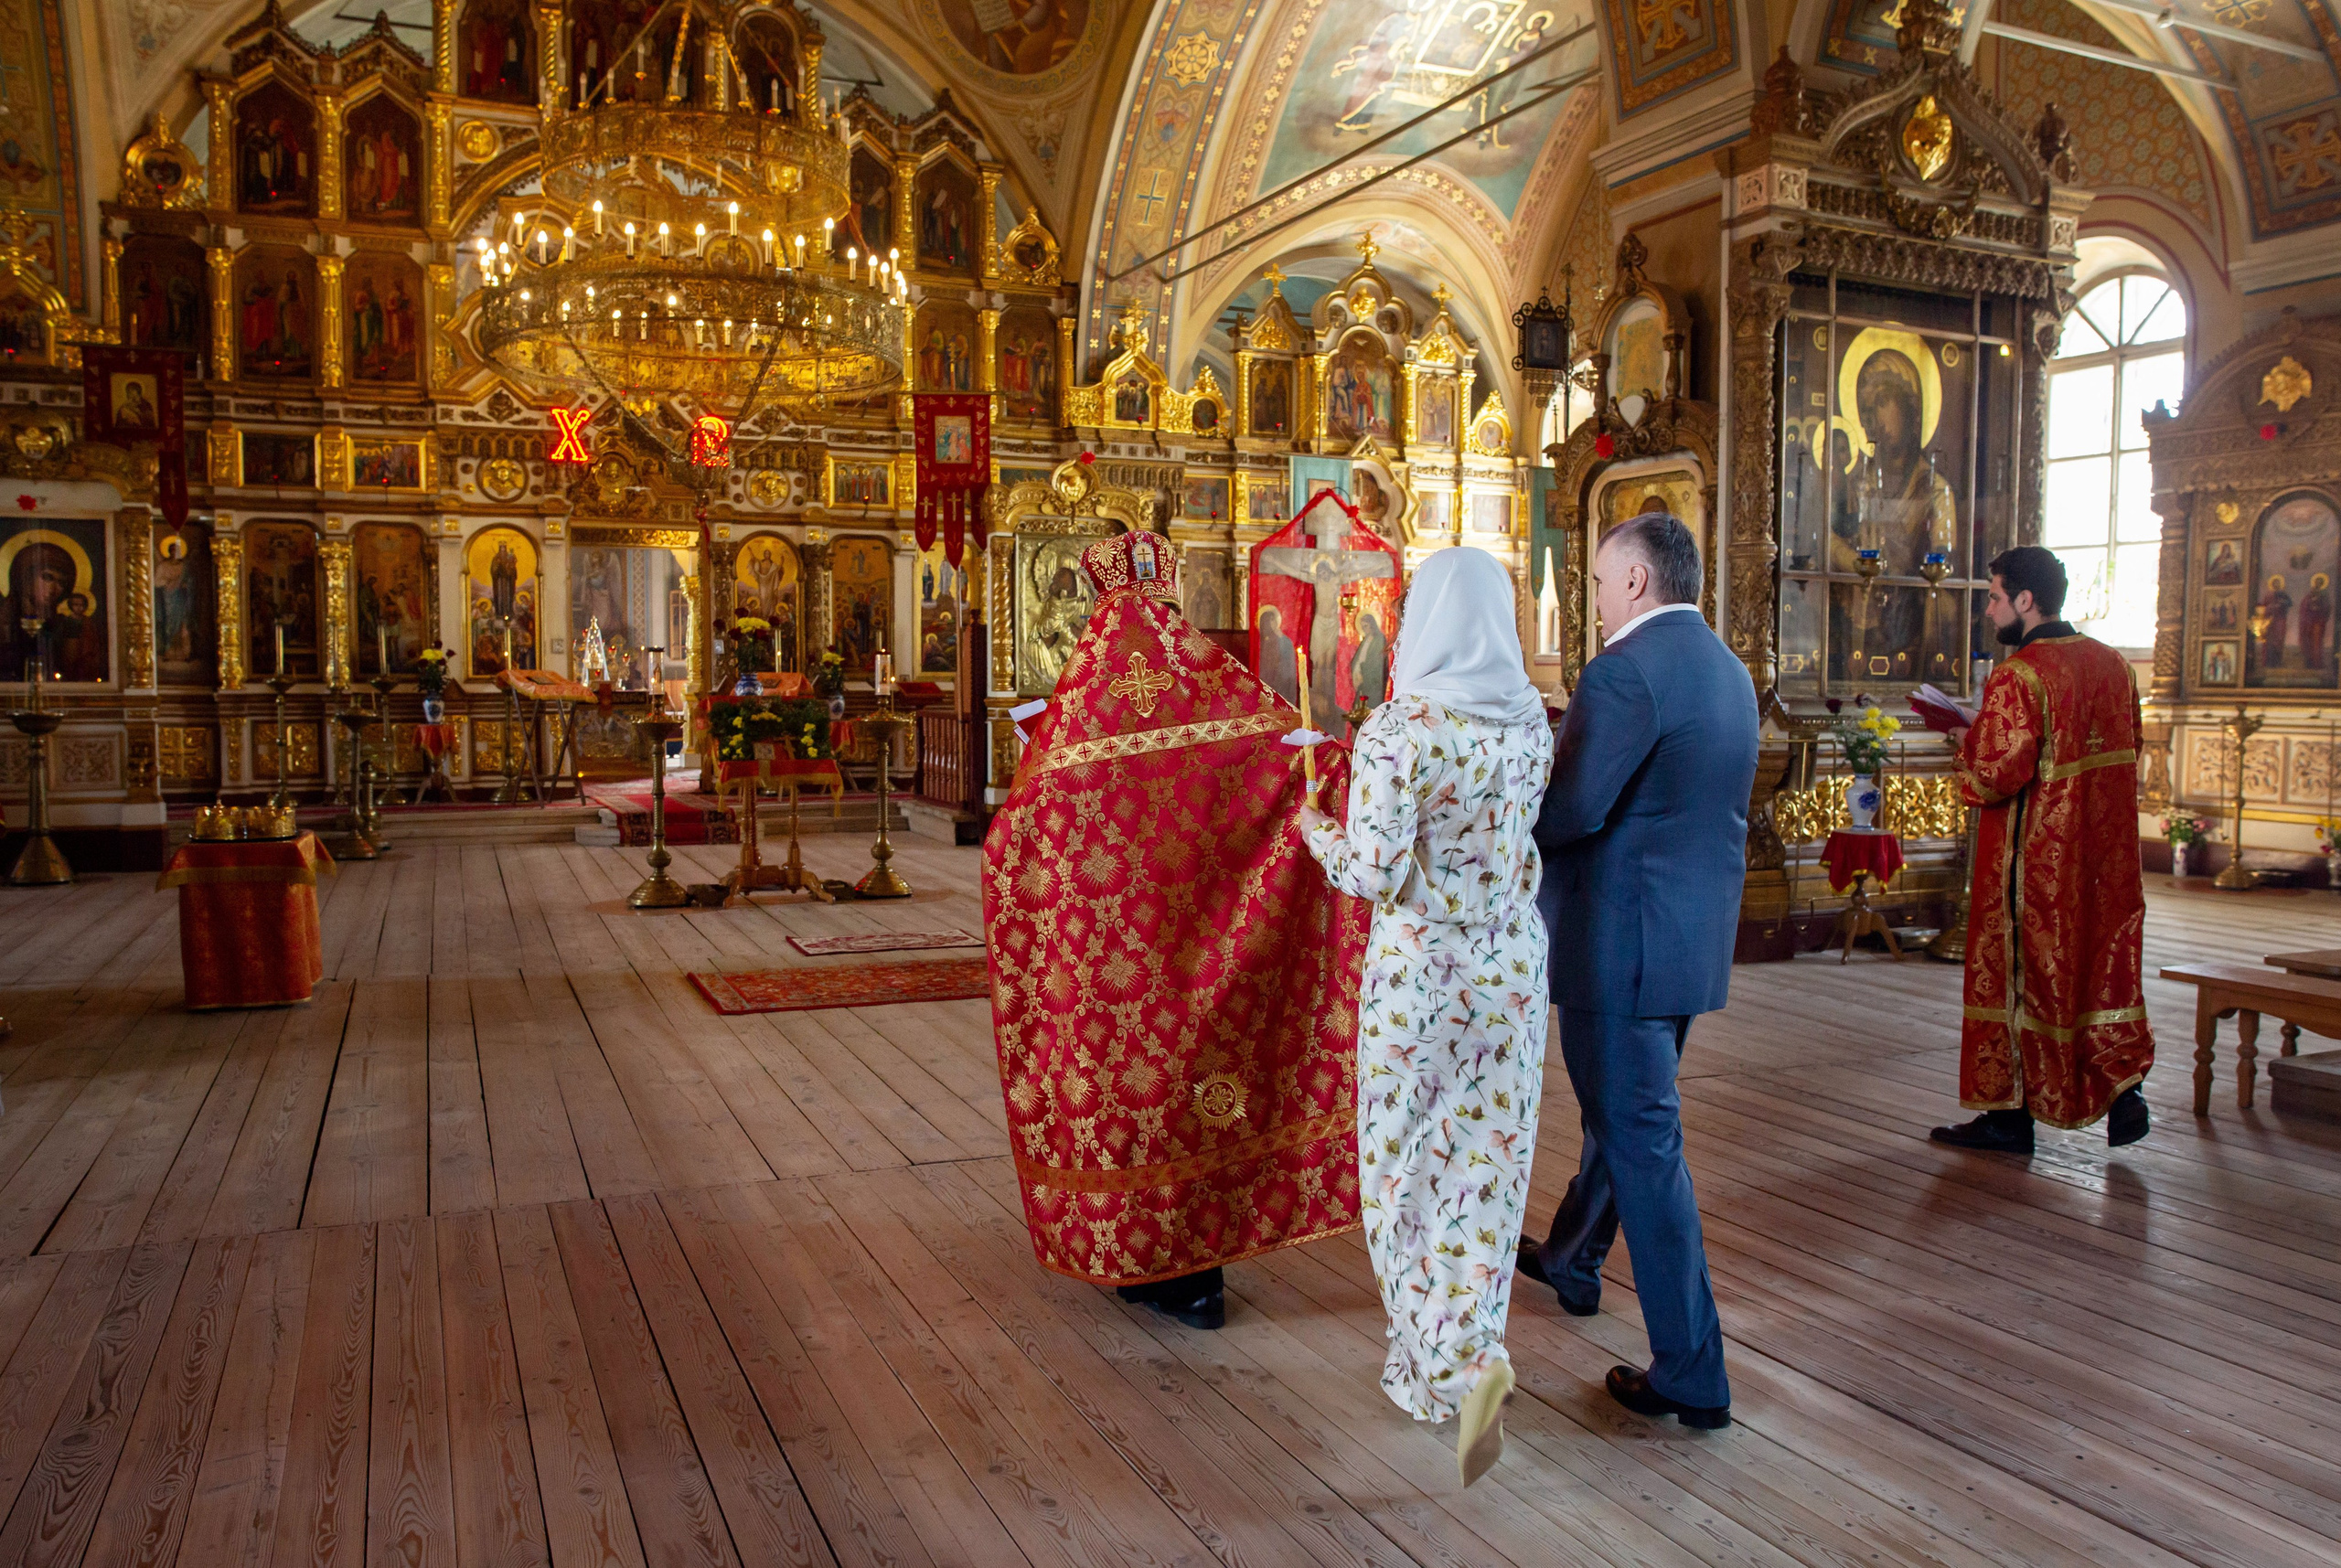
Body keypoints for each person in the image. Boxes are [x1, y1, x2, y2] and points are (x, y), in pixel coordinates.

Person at [985, 528, 1366, 1335]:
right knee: (1200, 1088)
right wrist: (1336, 767)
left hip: (1109, 962)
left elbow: (1018, 835)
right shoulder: (1212, 685)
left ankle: (1146, 1259)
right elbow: (1295, 761)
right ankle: (1197, 1271)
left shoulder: (1082, 702)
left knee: (1133, 1097)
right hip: (1206, 942)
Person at [1297, 547, 1553, 1488]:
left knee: (1404, 1166)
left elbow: (1372, 871)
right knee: (1489, 1165)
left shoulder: (1400, 729)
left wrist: (1313, 832)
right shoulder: (1531, 720)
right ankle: (1460, 1356)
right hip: (1511, 968)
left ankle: (1455, 1367)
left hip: (1423, 976)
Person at [1518, 510, 1756, 1433]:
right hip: (1689, 941)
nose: (1595, 598)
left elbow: (1572, 810)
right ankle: (1573, 1254)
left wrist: (1511, 789)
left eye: (1598, 580)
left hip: (1620, 945)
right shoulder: (1727, 668)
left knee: (1642, 1139)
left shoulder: (1624, 670)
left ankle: (1692, 1370)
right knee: (1625, 1117)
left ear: (1634, 581)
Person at [1931, 547, 2154, 1154]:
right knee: (2102, 966)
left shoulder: (2021, 673)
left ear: (2026, 600)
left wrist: (1965, 739)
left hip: (2034, 864)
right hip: (2105, 859)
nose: (1989, 610)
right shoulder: (2114, 665)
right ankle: (2123, 1089)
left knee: (2025, 975)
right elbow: (2130, 744)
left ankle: (2008, 1117)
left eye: (1995, 597)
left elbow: (1993, 775)